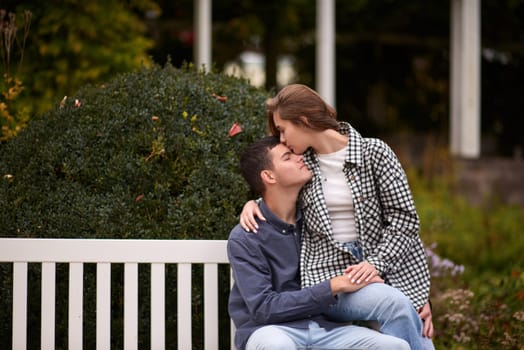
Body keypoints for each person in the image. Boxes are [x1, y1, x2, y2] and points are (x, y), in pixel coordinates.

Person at [239, 84, 434, 348]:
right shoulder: (304, 164)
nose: (281, 139)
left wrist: (382, 268)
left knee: (401, 305)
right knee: (394, 302)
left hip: (381, 272)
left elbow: (405, 220)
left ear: (304, 120)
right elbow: (278, 190)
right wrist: (254, 203)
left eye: (283, 130)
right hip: (330, 281)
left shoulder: (374, 153)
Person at [228, 135, 416, 350]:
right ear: (269, 176)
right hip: (272, 330)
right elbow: (263, 308)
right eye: (288, 157)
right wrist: (333, 286)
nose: (300, 158)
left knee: (395, 346)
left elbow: (399, 228)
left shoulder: (316, 220)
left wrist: (418, 301)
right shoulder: (246, 238)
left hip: (326, 329)